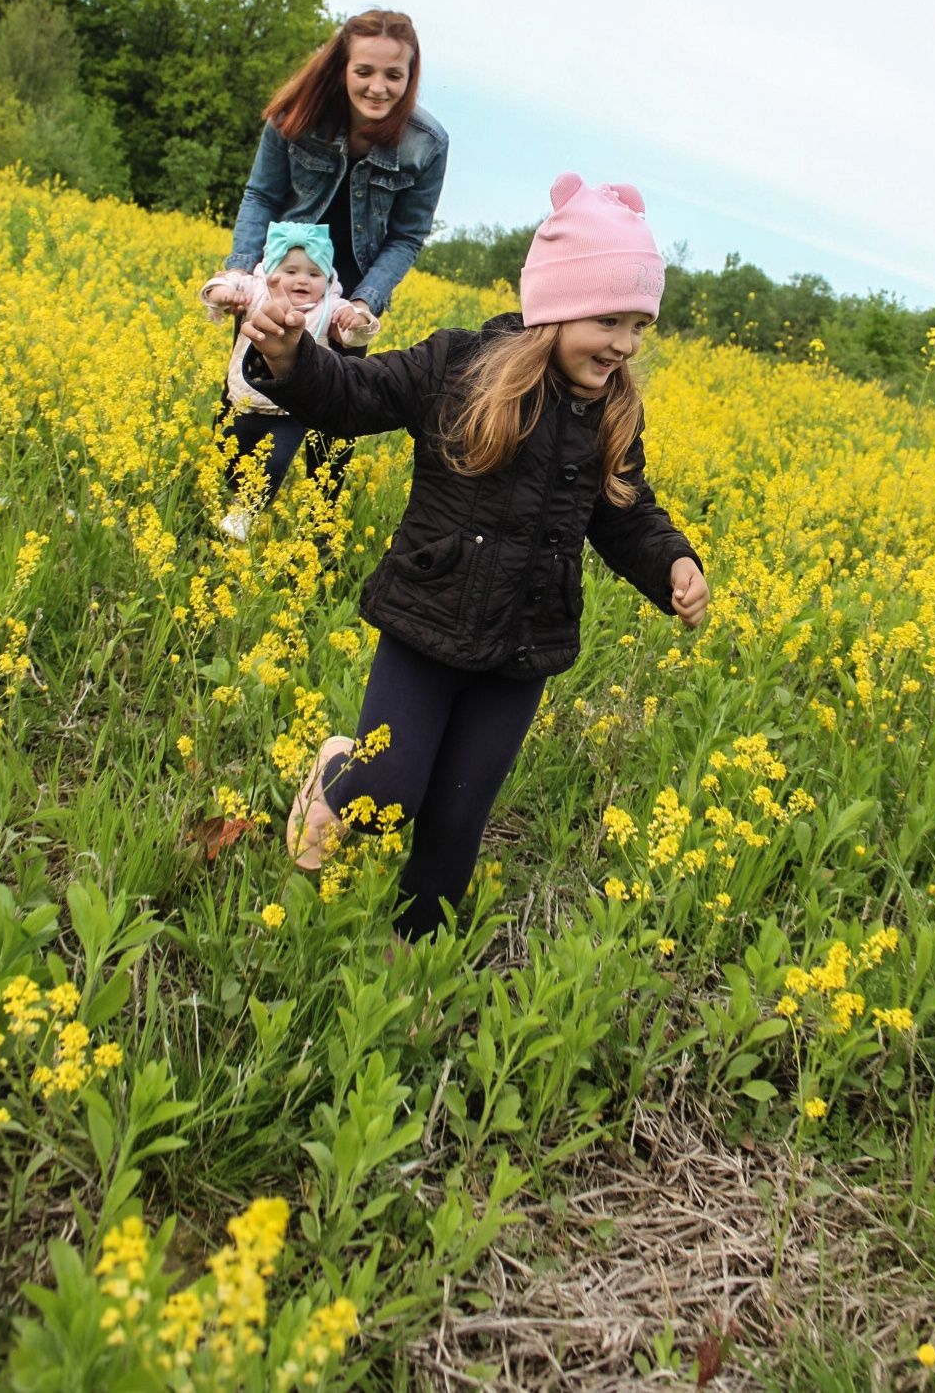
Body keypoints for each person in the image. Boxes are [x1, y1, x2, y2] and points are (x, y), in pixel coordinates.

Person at [239, 173, 710, 941]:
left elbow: (625, 513)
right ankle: (334, 774)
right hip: (428, 621)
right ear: (555, 306)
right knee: (385, 797)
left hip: (524, 647)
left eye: (638, 325)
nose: (624, 344)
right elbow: (353, 398)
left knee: (457, 820)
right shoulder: (457, 366)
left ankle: (410, 966)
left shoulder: (613, 408)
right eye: (608, 319)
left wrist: (671, 566)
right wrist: (293, 358)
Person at [210, 7, 447, 524]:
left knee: (339, 412)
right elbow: (261, 195)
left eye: (393, 74)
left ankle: (320, 533)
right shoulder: (297, 113)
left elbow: (407, 235)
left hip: (348, 296)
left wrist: (365, 301)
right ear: (343, 66)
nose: (378, 87)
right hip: (278, 280)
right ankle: (224, 511)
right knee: (245, 396)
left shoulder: (427, 143)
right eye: (365, 71)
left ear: (410, 77)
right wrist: (239, 273)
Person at [201, 221, 373, 539]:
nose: (301, 280)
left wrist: (358, 320)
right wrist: (222, 292)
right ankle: (222, 499)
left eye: (313, 273)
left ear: (329, 279)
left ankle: (246, 510)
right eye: (290, 271)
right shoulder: (256, 291)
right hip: (245, 398)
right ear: (271, 270)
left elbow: (355, 333)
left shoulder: (331, 307)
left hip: (293, 409)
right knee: (226, 454)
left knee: (275, 462)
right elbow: (217, 291)